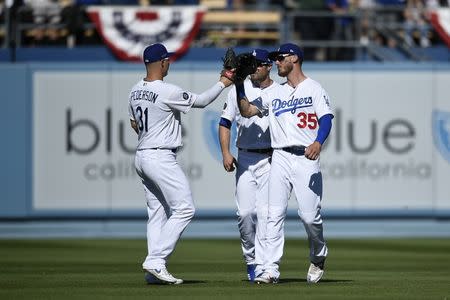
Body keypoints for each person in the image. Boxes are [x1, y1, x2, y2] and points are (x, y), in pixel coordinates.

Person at [128, 43, 233, 285]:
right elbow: (203, 101)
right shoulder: (166, 90)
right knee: (185, 208)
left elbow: (134, 124)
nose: (169, 64)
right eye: (168, 60)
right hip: (160, 156)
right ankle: (156, 261)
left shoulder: (134, 90)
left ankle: (153, 271)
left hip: (142, 155)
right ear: (162, 62)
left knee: (157, 213)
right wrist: (223, 82)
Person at [234, 43, 334, 284]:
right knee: (273, 215)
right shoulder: (274, 93)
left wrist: (319, 142)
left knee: (310, 217)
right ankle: (269, 269)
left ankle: (318, 255)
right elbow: (247, 111)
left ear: (295, 59)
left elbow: (327, 118)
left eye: (280, 58)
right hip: (279, 157)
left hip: (306, 158)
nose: (277, 62)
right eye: (275, 59)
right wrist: (238, 84)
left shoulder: (314, 88)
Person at [218, 49, 277, 282]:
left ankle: (263, 266)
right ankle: (251, 260)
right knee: (245, 214)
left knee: (263, 214)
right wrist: (225, 152)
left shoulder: (279, 92)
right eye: (250, 66)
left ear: (269, 66)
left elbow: (249, 111)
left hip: (270, 157)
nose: (254, 70)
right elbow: (225, 121)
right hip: (246, 156)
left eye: (258, 65)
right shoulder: (238, 90)